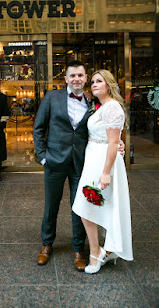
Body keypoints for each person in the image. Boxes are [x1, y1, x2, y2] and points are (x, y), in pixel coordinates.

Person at [33, 61, 124, 271]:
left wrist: (118, 142)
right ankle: (46, 244)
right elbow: (38, 128)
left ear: (85, 79)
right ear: (65, 79)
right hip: (54, 161)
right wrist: (43, 157)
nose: (76, 79)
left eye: (81, 75)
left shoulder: (93, 100)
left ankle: (78, 249)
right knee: (51, 206)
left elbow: (105, 126)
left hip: (81, 163)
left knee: (80, 207)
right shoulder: (51, 97)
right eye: (72, 75)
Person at [72, 69, 133, 274]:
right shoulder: (100, 106)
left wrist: (106, 172)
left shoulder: (112, 107)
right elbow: (111, 138)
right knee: (90, 206)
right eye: (94, 81)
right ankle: (103, 249)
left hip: (103, 162)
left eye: (100, 81)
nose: (94, 84)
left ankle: (98, 252)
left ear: (109, 85)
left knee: (88, 205)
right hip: (93, 158)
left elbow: (113, 142)